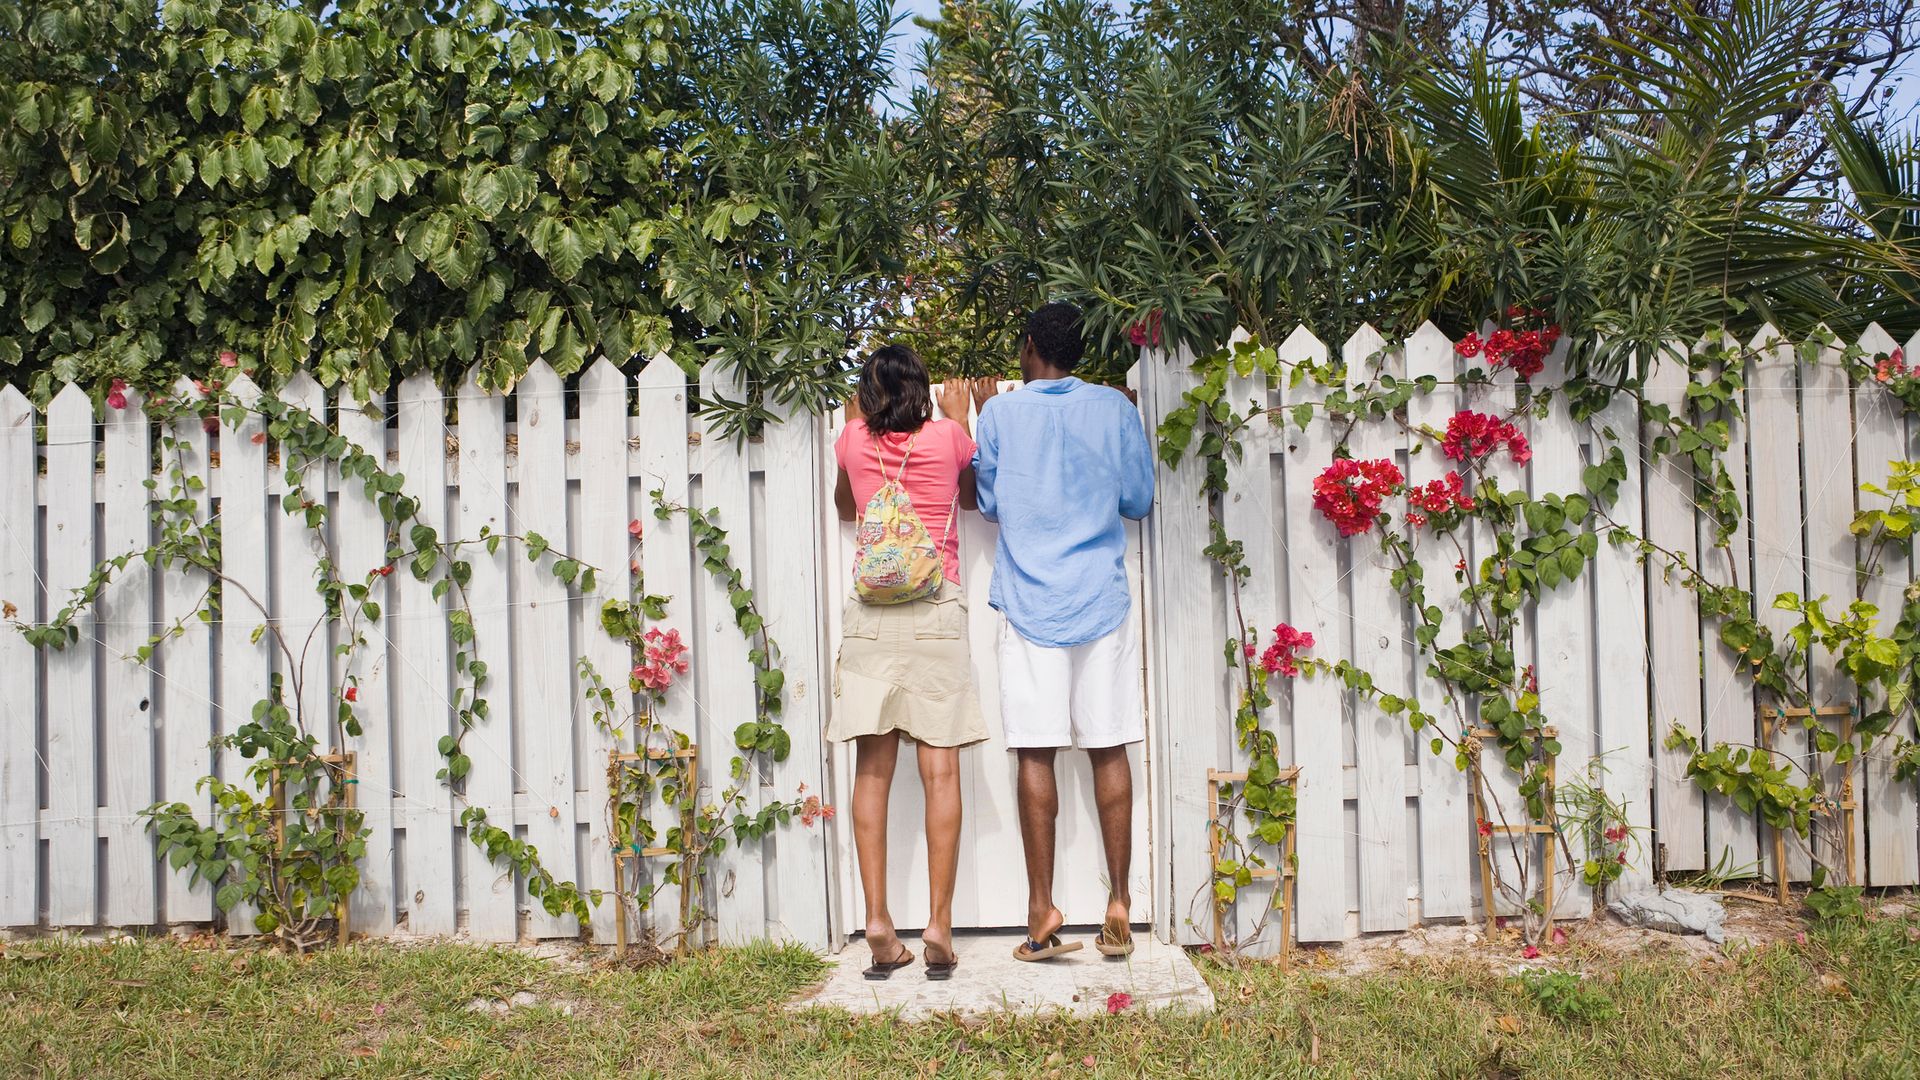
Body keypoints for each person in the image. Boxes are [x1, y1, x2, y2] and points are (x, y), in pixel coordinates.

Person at [972, 301, 1155, 962]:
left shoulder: (998, 414)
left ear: (1028, 347)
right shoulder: (1113, 408)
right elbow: (1138, 500)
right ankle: (1119, 904)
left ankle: (1041, 911)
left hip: (1029, 605)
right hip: (1100, 601)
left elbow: (988, 504)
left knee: (1037, 753)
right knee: (1108, 748)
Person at [829, 343, 987, 982]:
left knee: (873, 771)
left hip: (870, 616)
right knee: (940, 772)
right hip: (935, 610)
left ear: (867, 393)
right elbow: (972, 500)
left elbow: (847, 510)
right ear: (924, 388)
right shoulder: (949, 437)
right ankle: (940, 926)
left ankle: (877, 922)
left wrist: (855, 428)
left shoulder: (850, 440)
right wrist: (964, 420)